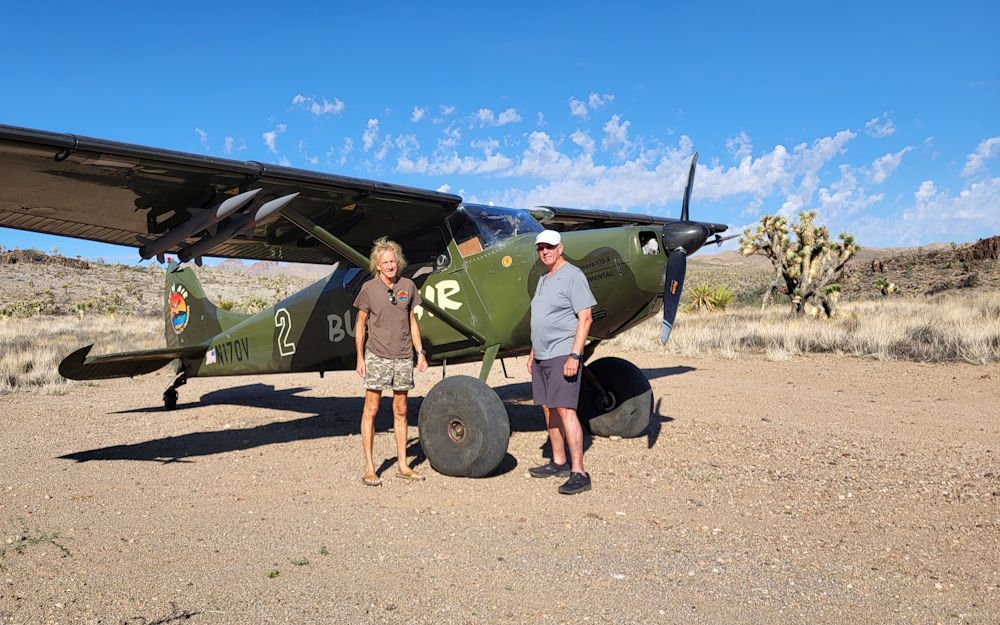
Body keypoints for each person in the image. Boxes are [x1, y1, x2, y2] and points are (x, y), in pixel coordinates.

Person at [353, 237, 429, 486]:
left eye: (393, 261)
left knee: (401, 409)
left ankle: (403, 466)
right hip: (377, 355)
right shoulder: (368, 289)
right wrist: (360, 357)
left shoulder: (408, 286)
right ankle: (369, 467)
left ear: (398, 262)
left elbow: (412, 321)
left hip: (403, 356)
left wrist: (420, 352)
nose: (390, 266)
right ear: (378, 265)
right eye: (385, 262)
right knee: (371, 409)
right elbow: (360, 325)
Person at [526, 229, 596, 495]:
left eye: (549, 247)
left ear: (560, 248)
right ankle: (559, 462)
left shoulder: (573, 276)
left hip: (562, 353)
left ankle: (579, 472)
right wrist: (533, 352)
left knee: (566, 410)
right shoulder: (544, 279)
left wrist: (575, 355)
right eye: (541, 248)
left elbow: (585, 318)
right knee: (549, 409)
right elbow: (541, 318)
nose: (545, 251)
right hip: (542, 355)